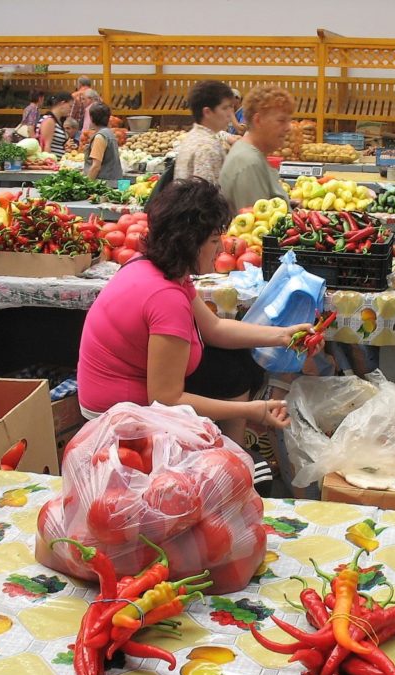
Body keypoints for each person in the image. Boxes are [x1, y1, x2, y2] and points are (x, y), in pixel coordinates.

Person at [77, 178, 315, 445]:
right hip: (119, 414)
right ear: (189, 243)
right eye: (215, 240)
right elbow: (166, 398)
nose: (222, 249)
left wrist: (283, 335)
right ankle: (231, 456)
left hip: (127, 392)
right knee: (232, 374)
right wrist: (253, 411)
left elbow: (214, 328)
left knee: (238, 364)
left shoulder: (157, 268)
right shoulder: (165, 297)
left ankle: (233, 451)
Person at [218, 85, 292, 211]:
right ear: (258, 120)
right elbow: (257, 225)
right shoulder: (248, 163)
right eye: (281, 120)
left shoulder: (253, 155)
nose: (288, 127)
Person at [174, 80, 236, 185]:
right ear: (207, 112)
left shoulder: (193, 136)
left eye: (231, 107)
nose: (230, 114)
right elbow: (205, 196)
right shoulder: (207, 148)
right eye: (225, 108)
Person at [84, 103, 122, 183]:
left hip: (104, 184)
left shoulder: (100, 137)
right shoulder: (110, 133)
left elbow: (96, 167)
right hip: (115, 182)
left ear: (91, 118)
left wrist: (86, 185)